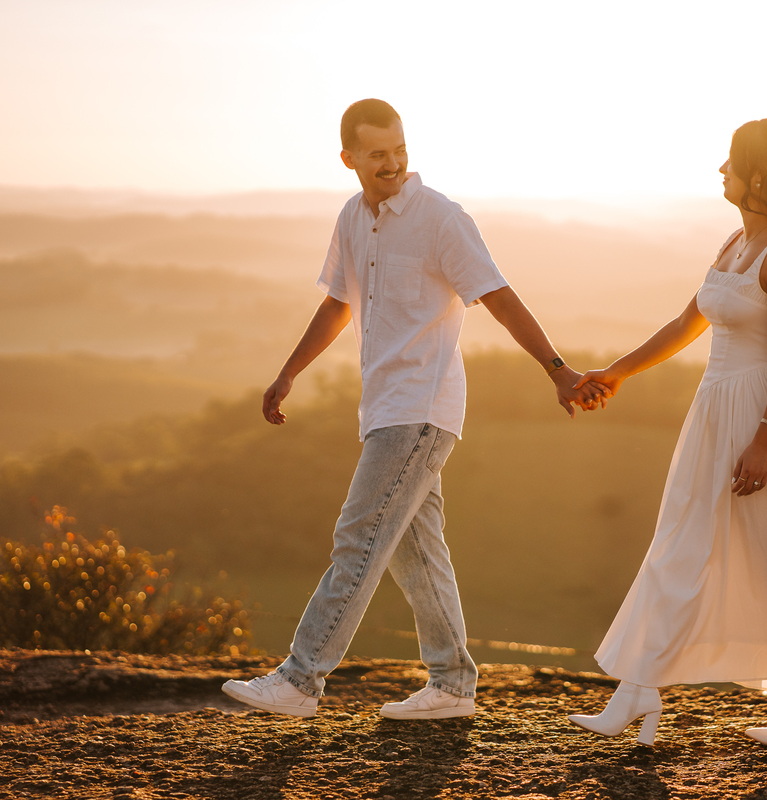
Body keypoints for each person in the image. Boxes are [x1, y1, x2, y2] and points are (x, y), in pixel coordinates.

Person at [223, 99, 604, 721]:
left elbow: (499, 296)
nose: (393, 162)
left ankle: (300, 679)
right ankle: (452, 686)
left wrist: (558, 371)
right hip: (382, 406)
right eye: (377, 154)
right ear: (348, 159)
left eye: (399, 148)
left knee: (359, 536)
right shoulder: (352, 217)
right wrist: (289, 372)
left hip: (421, 406)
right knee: (414, 548)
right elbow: (337, 304)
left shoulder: (440, 218)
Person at [567, 119, 767, 747]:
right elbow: (686, 323)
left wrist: (763, 441)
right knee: (678, 543)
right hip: (712, 413)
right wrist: (617, 372)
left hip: (765, 418)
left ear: (758, 174)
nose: (719, 171)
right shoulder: (736, 241)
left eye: (729, 162)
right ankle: (640, 688)